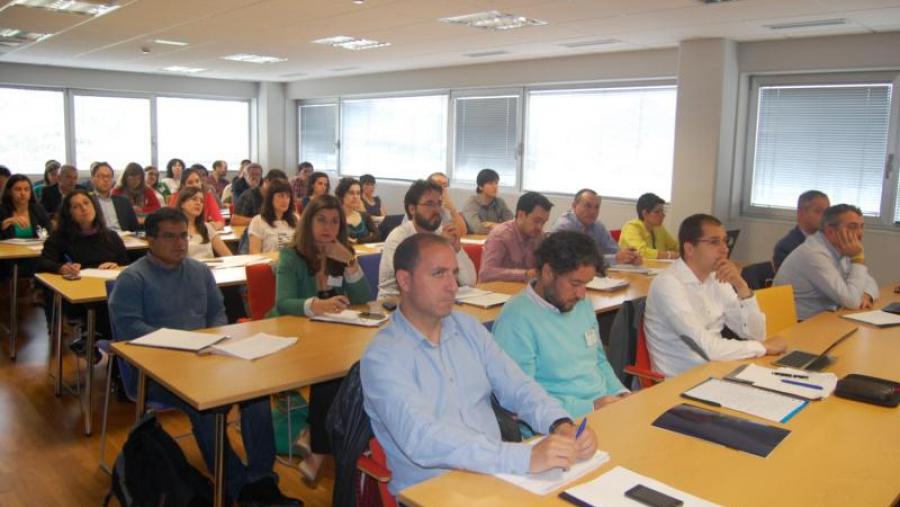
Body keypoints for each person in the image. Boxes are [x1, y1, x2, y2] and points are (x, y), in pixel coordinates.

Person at [362, 232, 599, 495]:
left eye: (454, 273)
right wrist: (524, 458)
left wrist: (560, 424)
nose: (452, 285)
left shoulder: (467, 329)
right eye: (439, 274)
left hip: (495, 474)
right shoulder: (383, 357)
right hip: (433, 491)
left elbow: (518, 387)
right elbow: (424, 440)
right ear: (404, 280)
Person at [108, 208, 300, 506]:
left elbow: (218, 316)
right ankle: (238, 487)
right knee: (207, 410)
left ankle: (262, 481)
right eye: (169, 237)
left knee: (258, 396)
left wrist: (211, 345)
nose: (179, 243)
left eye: (183, 235)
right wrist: (186, 344)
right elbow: (131, 330)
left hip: (208, 359)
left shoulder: (199, 271)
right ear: (150, 240)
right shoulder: (132, 279)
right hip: (159, 370)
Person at [269, 194, 371, 483]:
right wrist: (316, 305)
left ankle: (315, 439)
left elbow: (363, 299)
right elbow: (284, 302)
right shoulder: (292, 256)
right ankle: (318, 443)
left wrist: (350, 262)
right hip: (290, 332)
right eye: (321, 220)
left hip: (331, 333)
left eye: (335, 221)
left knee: (347, 367)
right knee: (334, 373)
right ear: (309, 222)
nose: (328, 228)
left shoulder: (342, 252)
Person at [493, 231, 629, 418]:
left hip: (602, 410)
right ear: (548, 273)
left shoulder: (581, 304)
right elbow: (518, 399)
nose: (582, 294)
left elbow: (598, 360)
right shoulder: (516, 319)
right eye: (575, 283)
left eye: (586, 284)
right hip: (556, 423)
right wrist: (590, 407)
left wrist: (620, 394)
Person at [644, 213, 786, 378]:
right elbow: (708, 349)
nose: (725, 249)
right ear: (689, 249)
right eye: (714, 242)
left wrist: (742, 287)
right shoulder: (668, 285)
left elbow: (756, 334)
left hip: (717, 370)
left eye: (725, 241)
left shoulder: (717, 278)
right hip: (680, 382)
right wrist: (763, 348)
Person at [38, 189, 129, 351]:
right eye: (76, 206)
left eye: (86, 203)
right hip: (78, 296)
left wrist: (115, 265)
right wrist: (61, 267)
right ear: (69, 213)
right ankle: (104, 345)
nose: (84, 209)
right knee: (106, 309)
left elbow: (125, 263)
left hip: (108, 290)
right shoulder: (60, 238)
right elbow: (44, 262)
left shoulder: (111, 236)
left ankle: (109, 350)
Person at [773, 204, 879, 320]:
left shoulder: (842, 248)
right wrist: (858, 259)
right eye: (852, 227)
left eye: (861, 227)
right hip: (799, 325)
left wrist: (866, 296)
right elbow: (852, 301)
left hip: (825, 317)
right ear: (830, 231)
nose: (859, 234)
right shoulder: (814, 254)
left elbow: (870, 282)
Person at [378, 180, 476, 299]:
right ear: (412, 209)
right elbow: (414, 283)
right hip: (396, 304)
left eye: (439, 204)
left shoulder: (441, 233)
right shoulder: (399, 237)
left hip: (434, 302)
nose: (436, 210)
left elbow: (470, 281)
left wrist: (456, 249)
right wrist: (440, 248)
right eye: (429, 204)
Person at [551, 189, 641, 266]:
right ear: (574, 206)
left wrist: (629, 257)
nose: (593, 212)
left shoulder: (598, 226)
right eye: (588, 206)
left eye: (596, 207)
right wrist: (615, 259)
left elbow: (614, 250)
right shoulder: (564, 227)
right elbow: (577, 261)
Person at [478, 191, 551, 283]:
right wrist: (525, 274)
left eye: (543, 222)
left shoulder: (539, 236)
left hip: (523, 291)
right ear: (521, 215)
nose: (540, 227)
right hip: (496, 292)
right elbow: (486, 273)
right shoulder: (500, 236)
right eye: (536, 221)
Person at [773, 190, 830, 270]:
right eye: (818, 211)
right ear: (801, 213)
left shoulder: (829, 240)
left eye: (827, 211)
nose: (824, 216)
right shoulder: (786, 247)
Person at [176, 187, 232, 260]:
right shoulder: (174, 230)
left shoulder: (206, 227)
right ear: (182, 203)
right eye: (194, 199)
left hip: (210, 269)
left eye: (201, 201)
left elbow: (229, 255)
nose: (198, 203)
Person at [618, 192, 679, 260]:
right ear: (645, 214)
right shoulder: (631, 227)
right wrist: (668, 255)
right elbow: (641, 252)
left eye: (662, 211)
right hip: (633, 269)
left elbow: (674, 246)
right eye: (657, 212)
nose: (663, 215)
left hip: (657, 268)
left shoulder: (659, 228)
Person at [248, 180, 298, 254]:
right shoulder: (258, 221)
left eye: (288, 196)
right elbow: (254, 254)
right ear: (270, 198)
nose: (285, 200)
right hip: (269, 264)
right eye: (281, 196)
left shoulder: (295, 219)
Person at [90, 162, 139, 232]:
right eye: (102, 176)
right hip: (100, 238)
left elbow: (135, 228)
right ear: (92, 179)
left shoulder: (124, 201)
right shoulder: (87, 201)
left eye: (109, 176)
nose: (106, 180)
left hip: (124, 238)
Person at [462, 168, 513, 234]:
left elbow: (512, 225)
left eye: (496, 183)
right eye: (490, 183)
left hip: (494, 239)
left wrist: (494, 225)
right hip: (474, 240)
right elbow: (478, 229)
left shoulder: (500, 202)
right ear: (480, 186)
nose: (495, 187)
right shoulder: (471, 203)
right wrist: (501, 227)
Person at [1, 174, 51, 240]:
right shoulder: (2, 210)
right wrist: (3, 225)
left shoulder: (38, 209)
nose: (23, 193)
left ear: (30, 192)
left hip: (35, 249)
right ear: (9, 192)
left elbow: (48, 232)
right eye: (18, 189)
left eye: (26, 189)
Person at [335, 177, 379, 244]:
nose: (355, 197)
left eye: (358, 193)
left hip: (365, 252)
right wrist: (369, 237)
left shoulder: (364, 216)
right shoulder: (334, 217)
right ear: (342, 195)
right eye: (351, 193)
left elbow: (377, 236)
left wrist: (358, 241)